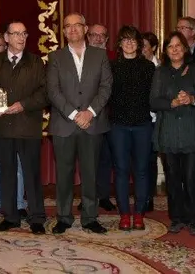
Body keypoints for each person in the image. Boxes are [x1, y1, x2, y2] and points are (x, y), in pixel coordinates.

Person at [47, 13, 112, 235]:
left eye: (77, 26)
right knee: (63, 174)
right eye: (68, 26)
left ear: (85, 29)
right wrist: (75, 114)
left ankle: (90, 217)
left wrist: (90, 112)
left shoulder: (99, 56)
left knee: (90, 173)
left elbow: (106, 87)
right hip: (64, 124)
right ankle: (64, 217)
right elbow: (53, 91)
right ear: (63, 32)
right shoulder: (55, 57)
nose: (73, 30)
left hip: (92, 123)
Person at [0, 21, 48, 234]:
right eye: (15, 34)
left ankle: (37, 218)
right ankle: (11, 216)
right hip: (3, 127)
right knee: (7, 173)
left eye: (24, 33)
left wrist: (23, 105)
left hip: (28, 127)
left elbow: (45, 93)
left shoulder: (36, 62)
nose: (21, 38)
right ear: (6, 38)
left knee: (31, 174)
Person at [150, 31, 195, 236]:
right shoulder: (160, 72)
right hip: (168, 133)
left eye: (178, 46)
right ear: (165, 50)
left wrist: (191, 99)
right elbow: (153, 101)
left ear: (185, 48)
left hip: (191, 131)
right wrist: (172, 103)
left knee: (191, 177)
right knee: (173, 178)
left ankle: (193, 219)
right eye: (170, 46)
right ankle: (176, 218)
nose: (174, 49)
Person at [108, 26, 156, 231]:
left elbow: (154, 97)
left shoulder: (148, 67)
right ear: (119, 44)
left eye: (133, 40)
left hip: (143, 125)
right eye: (125, 40)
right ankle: (124, 214)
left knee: (142, 171)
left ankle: (139, 214)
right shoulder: (111, 67)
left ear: (139, 43)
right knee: (120, 171)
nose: (129, 43)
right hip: (118, 126)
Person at [0, 32, 27, 218]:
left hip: (15, 122)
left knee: (16, 165)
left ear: (6, 45)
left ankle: (18, 203)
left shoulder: (17, 66)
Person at [87, 23, 117, 212]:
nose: (98, 38)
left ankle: (104, 196)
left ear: (106, 39)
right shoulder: (81, 57)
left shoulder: (115, 58)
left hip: (111, 116)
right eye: (94, 35)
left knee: (106, 158)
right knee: (88, 159)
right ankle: (88, 195)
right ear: (87, 38)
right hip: (87, 116)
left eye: (102, 36)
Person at [140, 31, 160, 212]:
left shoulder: (161, 68)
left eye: (144, 46)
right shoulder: (137, 66)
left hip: (156, 121)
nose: (141, 49)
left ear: (153, 48)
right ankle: (141, 194)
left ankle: (149, 197)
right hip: (139, 121)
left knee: (151, 161)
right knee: (140, 161)